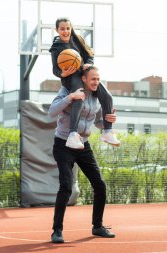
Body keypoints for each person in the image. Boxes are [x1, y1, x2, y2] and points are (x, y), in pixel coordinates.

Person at [48, 66, 116, 243]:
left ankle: (97, 226)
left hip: (83, 145)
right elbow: (51, 111)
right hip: (63, 144)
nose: (96, 82)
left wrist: (108, 121)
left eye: (98, 79)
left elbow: (98, 122)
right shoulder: (67, 89)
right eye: (93, 79)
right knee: (66, 187)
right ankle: (57, 231)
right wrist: (70, 98)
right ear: (84, 79)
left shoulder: (96, 96)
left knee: (100, 185)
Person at [49, 17, 120, 150]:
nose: (65, 31)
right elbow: (55, 70)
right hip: (71, 77)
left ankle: (108, 132)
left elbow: (90, 55)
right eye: (62, 29)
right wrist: (63, 73)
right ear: (57, 30)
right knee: (79, 97)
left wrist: (89, 63)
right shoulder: (56, 48)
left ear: (71, 29)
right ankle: (72, 135)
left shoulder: (78, 40)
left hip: (84, 73)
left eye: (68, 28)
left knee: (108, 97)